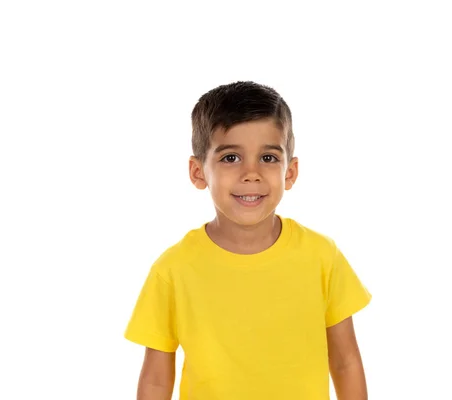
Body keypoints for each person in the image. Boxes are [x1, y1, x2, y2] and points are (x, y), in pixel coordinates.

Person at [124, 81, 372, 399]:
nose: (251, 173)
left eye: (268, 158)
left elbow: (345, 361)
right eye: (231, 158)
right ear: (198, 172)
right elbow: (157, 379)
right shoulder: (173, 269)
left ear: (290, 172)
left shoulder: (322, 256)